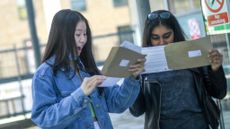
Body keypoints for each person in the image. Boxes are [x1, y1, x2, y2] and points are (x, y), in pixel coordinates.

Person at [31, 9, 145, 129]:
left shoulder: (88, 69)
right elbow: (44, 119)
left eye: (85, 34)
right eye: (78, 34)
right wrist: (80, 94)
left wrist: (132, 77)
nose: (83, 40)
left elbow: (117, 104)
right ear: (62, 36)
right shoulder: (44, 74)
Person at [129, 10, 227, 129]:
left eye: (167, 36)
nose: (161, 42)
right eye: (155, 38)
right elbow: (136, 111)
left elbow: (219, 93)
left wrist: (215, 70)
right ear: (149, 38)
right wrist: (132, 79)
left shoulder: (194, 54)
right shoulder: (141, 64)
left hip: (198, 125)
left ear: (175, 33)